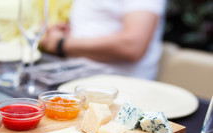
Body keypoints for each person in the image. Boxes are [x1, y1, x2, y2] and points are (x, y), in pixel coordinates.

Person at [39, 0, 167, 80]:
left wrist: (62, 44)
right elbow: (100, 24)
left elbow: (133, 45)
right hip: (79, 76)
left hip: (116, 87)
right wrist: (67, 30)